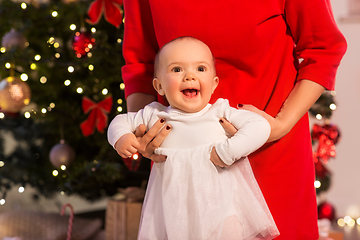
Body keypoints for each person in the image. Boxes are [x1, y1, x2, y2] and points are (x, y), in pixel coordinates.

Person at [118, 0, 347, 239]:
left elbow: (323, 47)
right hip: (183, 163)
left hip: (271, 153)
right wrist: (144, 132)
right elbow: (140, 63)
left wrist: (279, 125)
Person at [108, 37, 279, 239]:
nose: (189, 76)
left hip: (222, 205)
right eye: (177, 69)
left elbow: (260, 126)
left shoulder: (220, 112)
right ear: (159, 86)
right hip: (173, 210)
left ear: (214, 84)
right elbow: (119, 122)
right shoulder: (155, 114)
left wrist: (228, 151)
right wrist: (121, 137)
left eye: (200, 69)